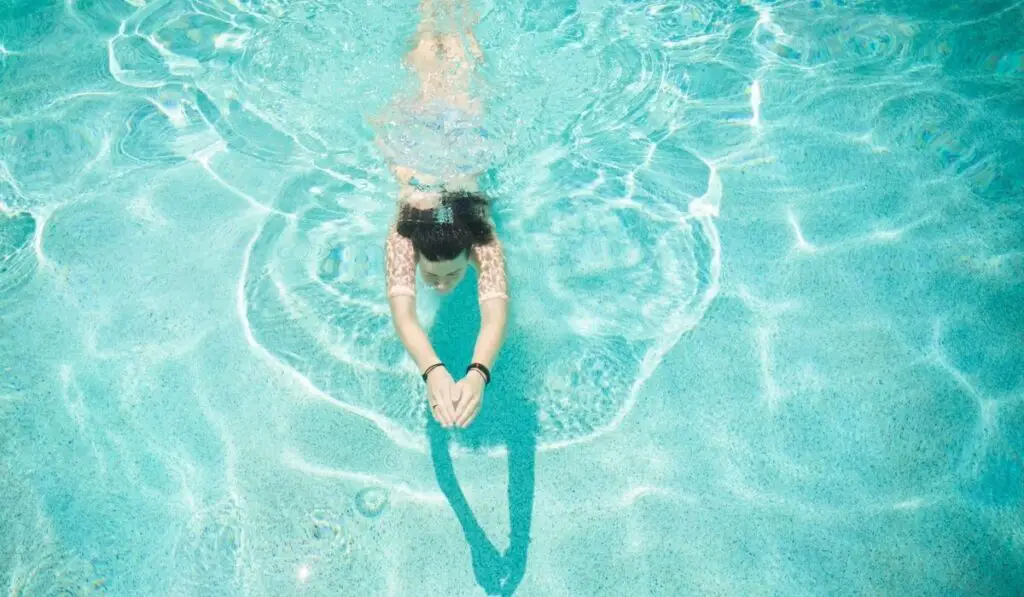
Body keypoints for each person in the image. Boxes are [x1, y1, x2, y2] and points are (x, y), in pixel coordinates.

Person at [375, 0, 509, 430]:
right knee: (446, 54)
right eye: (434, 277)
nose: (441, 284)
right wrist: (434, 370)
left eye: (449, 276)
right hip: (456, 126)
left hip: (420, 129)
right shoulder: (403, 237)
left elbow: (495, 313)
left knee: (443, 45)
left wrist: (477, 374)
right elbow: (404, 315)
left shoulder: (483, 239)